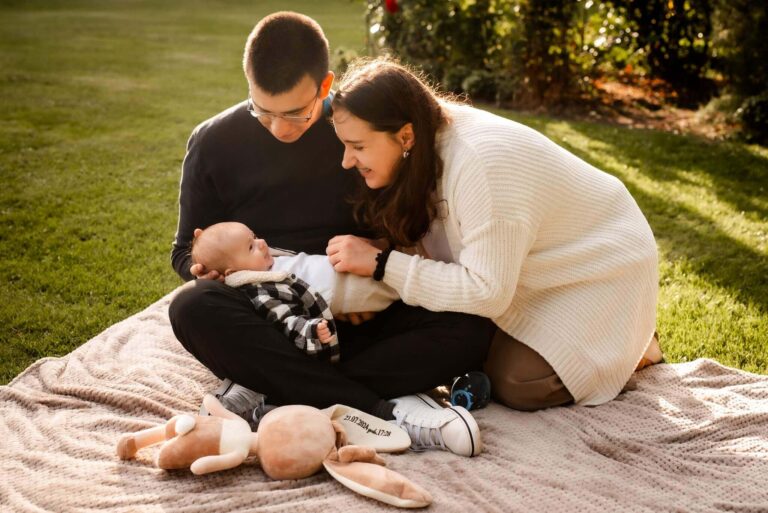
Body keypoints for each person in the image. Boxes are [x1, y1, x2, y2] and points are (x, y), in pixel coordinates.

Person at [168, 12, 494, 457]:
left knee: (471, 328)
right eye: (262, 111)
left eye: (295, 113)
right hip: (273, 319)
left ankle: (274, 394)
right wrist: (206, 270)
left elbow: (403, 227)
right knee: (191, 307)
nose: (280, 128)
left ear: (325, 86)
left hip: (362, 314)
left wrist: (380, 255)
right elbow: (184, 251)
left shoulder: (356, 130)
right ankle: (382, 411)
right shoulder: (212, 143)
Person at [327, 57, 661, 412]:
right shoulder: (421, 146)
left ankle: (630, 345)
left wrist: (382, 265)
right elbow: (446, 237)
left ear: (405, 135)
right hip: (526, 270)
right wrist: (379, 262)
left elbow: (487, 293)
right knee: (461, 341)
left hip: (600, 268)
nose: (347, 161)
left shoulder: (479, 166)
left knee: (517, 381)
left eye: (358, 147)